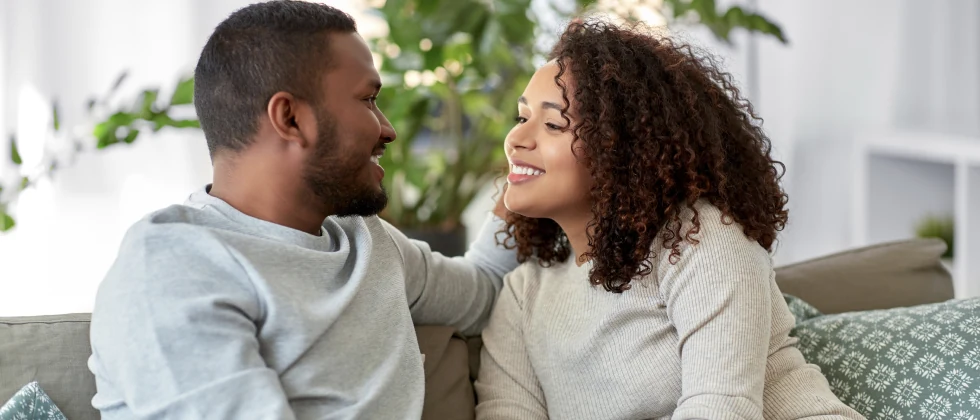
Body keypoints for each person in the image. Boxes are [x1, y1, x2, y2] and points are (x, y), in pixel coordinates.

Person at [87, 1, 517, 419]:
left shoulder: (366, 241)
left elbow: (485, 292)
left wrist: (526, 180)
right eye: (368, 100)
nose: (388, 129)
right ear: (290, 118)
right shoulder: (172, 266)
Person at [474, 18, 866, 420]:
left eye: (555, 124)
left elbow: (720, 411)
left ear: (622, 150)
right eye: (522, 118)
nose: (516, 139)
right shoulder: (523, 296)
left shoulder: (698, 239)